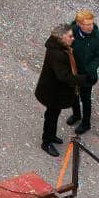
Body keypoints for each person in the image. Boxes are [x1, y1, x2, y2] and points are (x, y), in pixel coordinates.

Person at [35, 24, 83, 156]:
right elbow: (64, 76)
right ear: (61, 38)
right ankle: (46, 141)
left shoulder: (58, 47)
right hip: (53, 92)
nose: (73, 38)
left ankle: (51, 136)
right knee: (51, 115)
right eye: (70, 36)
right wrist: (81, 79)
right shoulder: (58, 54)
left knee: (54, 114)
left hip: (54, 90)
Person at [67, 10, 99, 135]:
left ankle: (86, 122)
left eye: (91, 24)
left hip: (87, 75)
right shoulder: (72, 31)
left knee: (85, 98)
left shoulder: (95, 37)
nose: (90, 27)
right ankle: (76, 115)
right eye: (87, 24)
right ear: (79, 24)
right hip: (73, 71)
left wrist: (90, 69)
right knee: (73, 95)